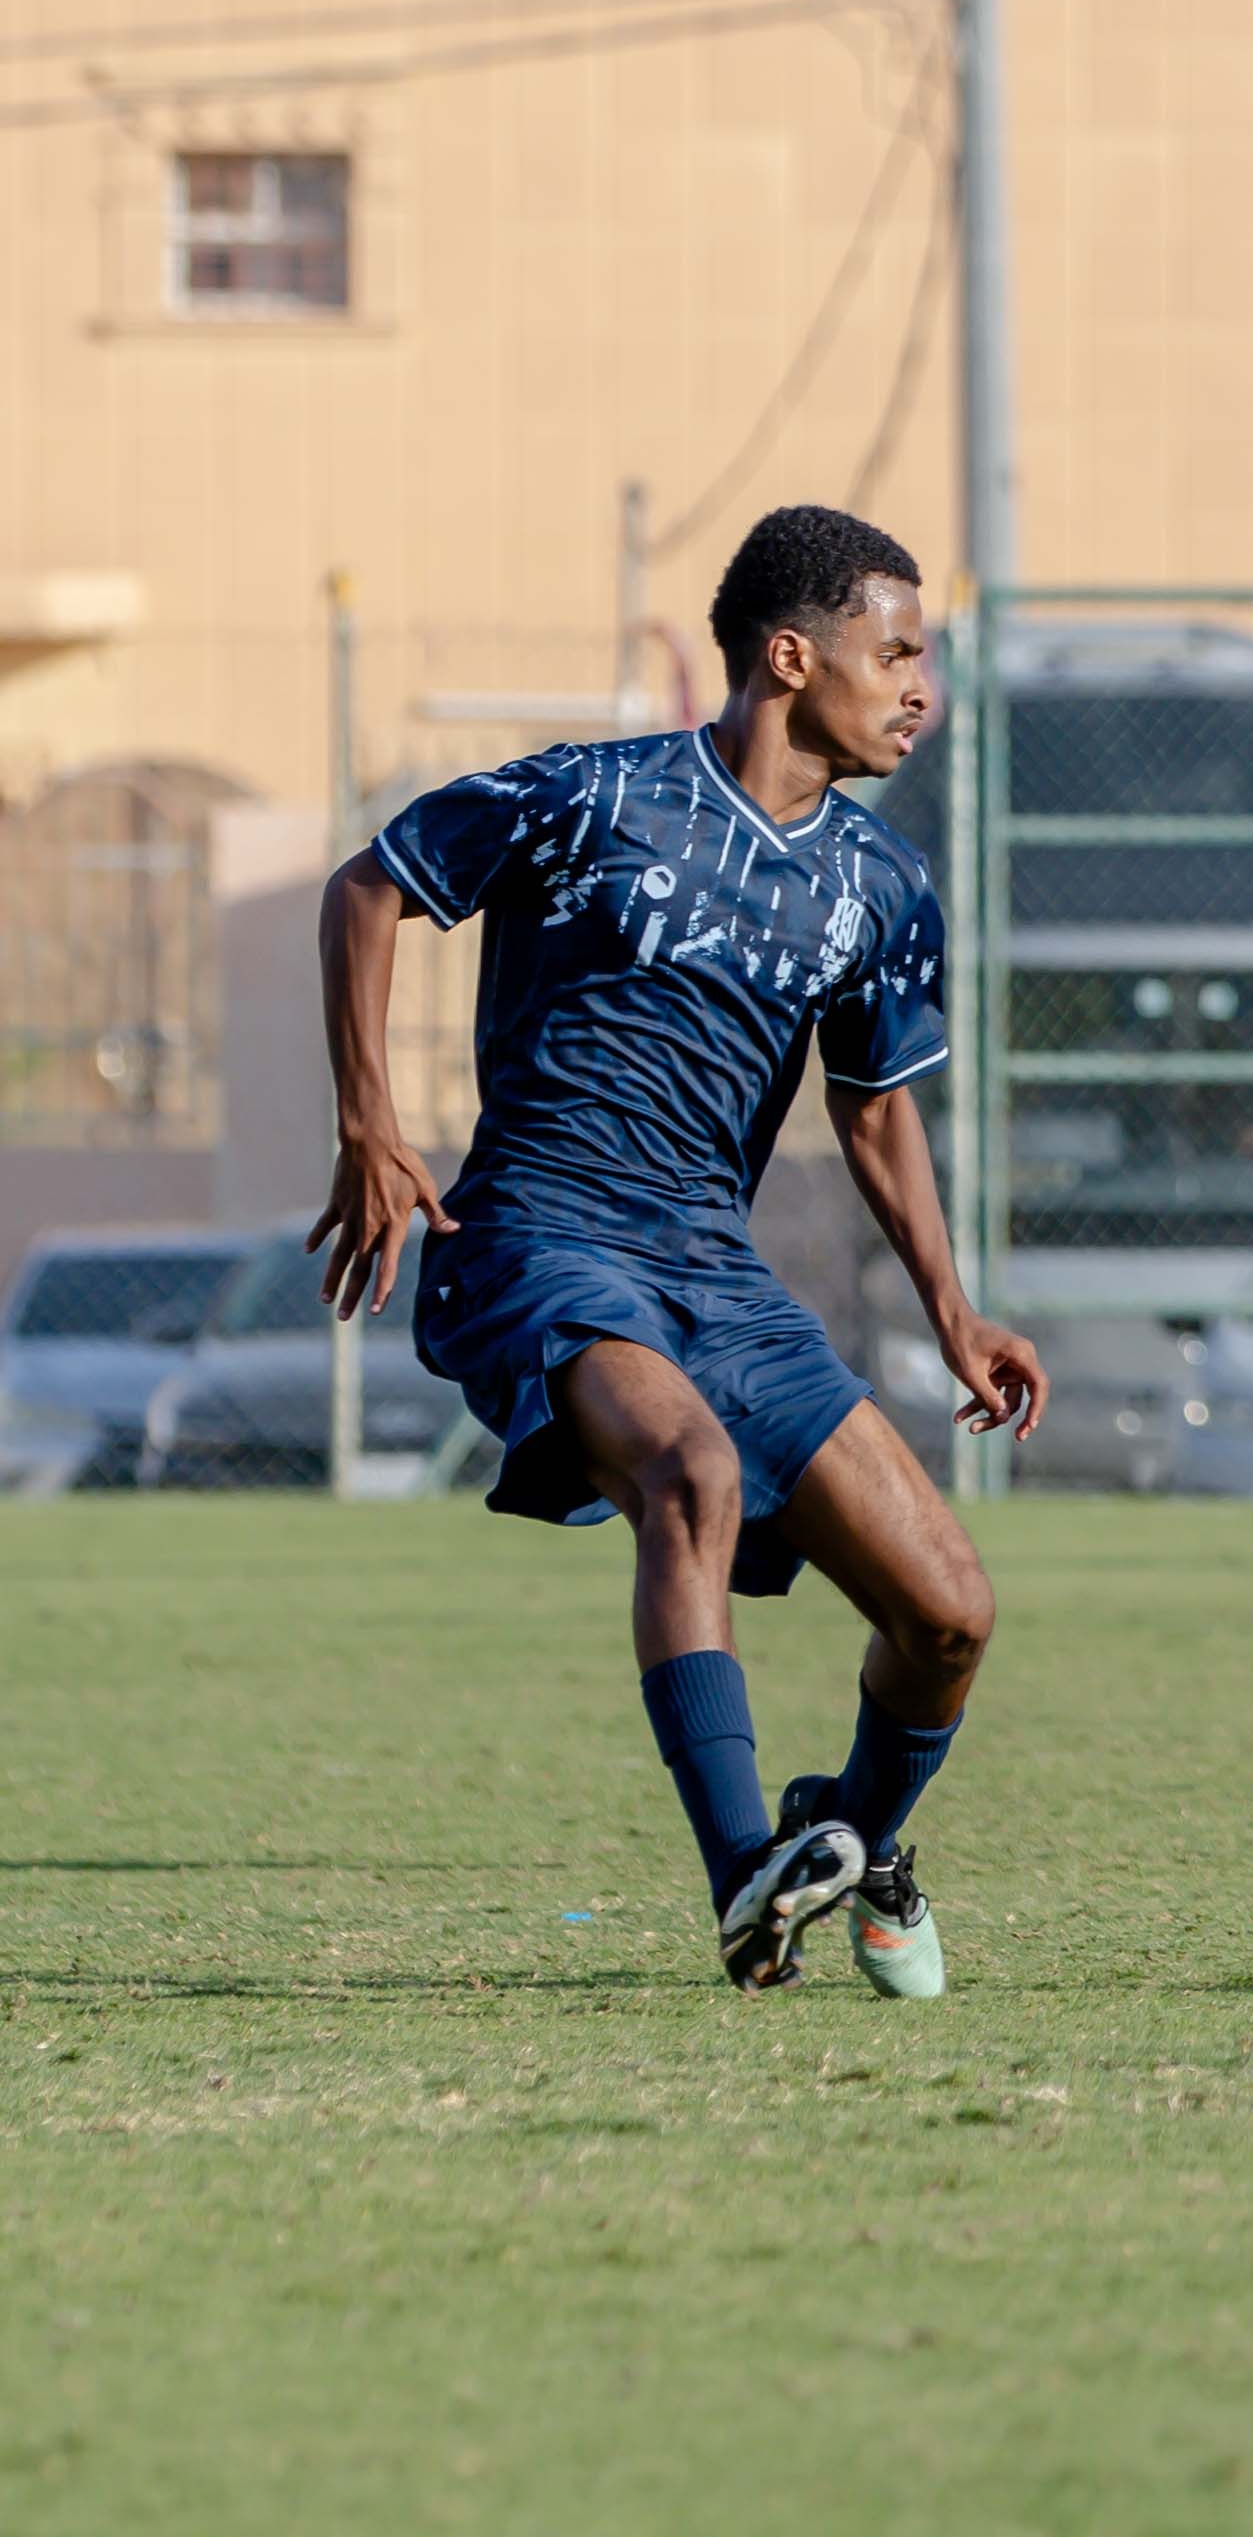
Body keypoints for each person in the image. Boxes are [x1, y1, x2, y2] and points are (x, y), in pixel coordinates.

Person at [311, 506, 1045, 1995]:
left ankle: (844, 1839)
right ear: (791, 655)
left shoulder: (879, 886)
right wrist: (370, 1121)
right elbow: (371, 884)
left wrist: (955, 1314)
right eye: (893, 652)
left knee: (950, 1612)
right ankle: (739, 1886)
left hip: (713, 1267)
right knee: (689, 1477)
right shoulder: (590, 794)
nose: (921, 688)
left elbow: (878, 1114)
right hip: (537, 1233)